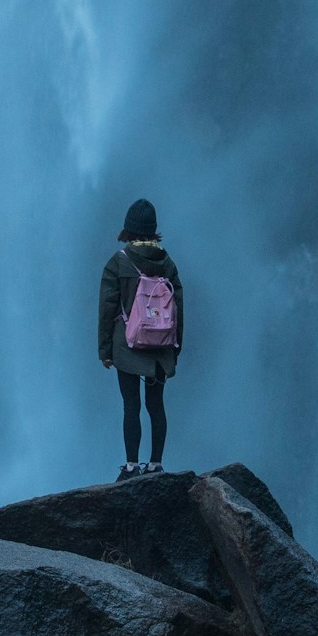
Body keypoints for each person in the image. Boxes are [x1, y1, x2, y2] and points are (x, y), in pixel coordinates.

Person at [98, 198, 183, 479]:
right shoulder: (167, 263)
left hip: (128, 345)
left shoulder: (118, 262)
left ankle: (132, 466)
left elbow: (107, 307)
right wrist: (176, 346)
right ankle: (156, 463)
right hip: (161, 345)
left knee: (131, 405)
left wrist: (105, 350)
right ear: (153, 230)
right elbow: (178, 309)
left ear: (129, 230)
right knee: (156, 404)